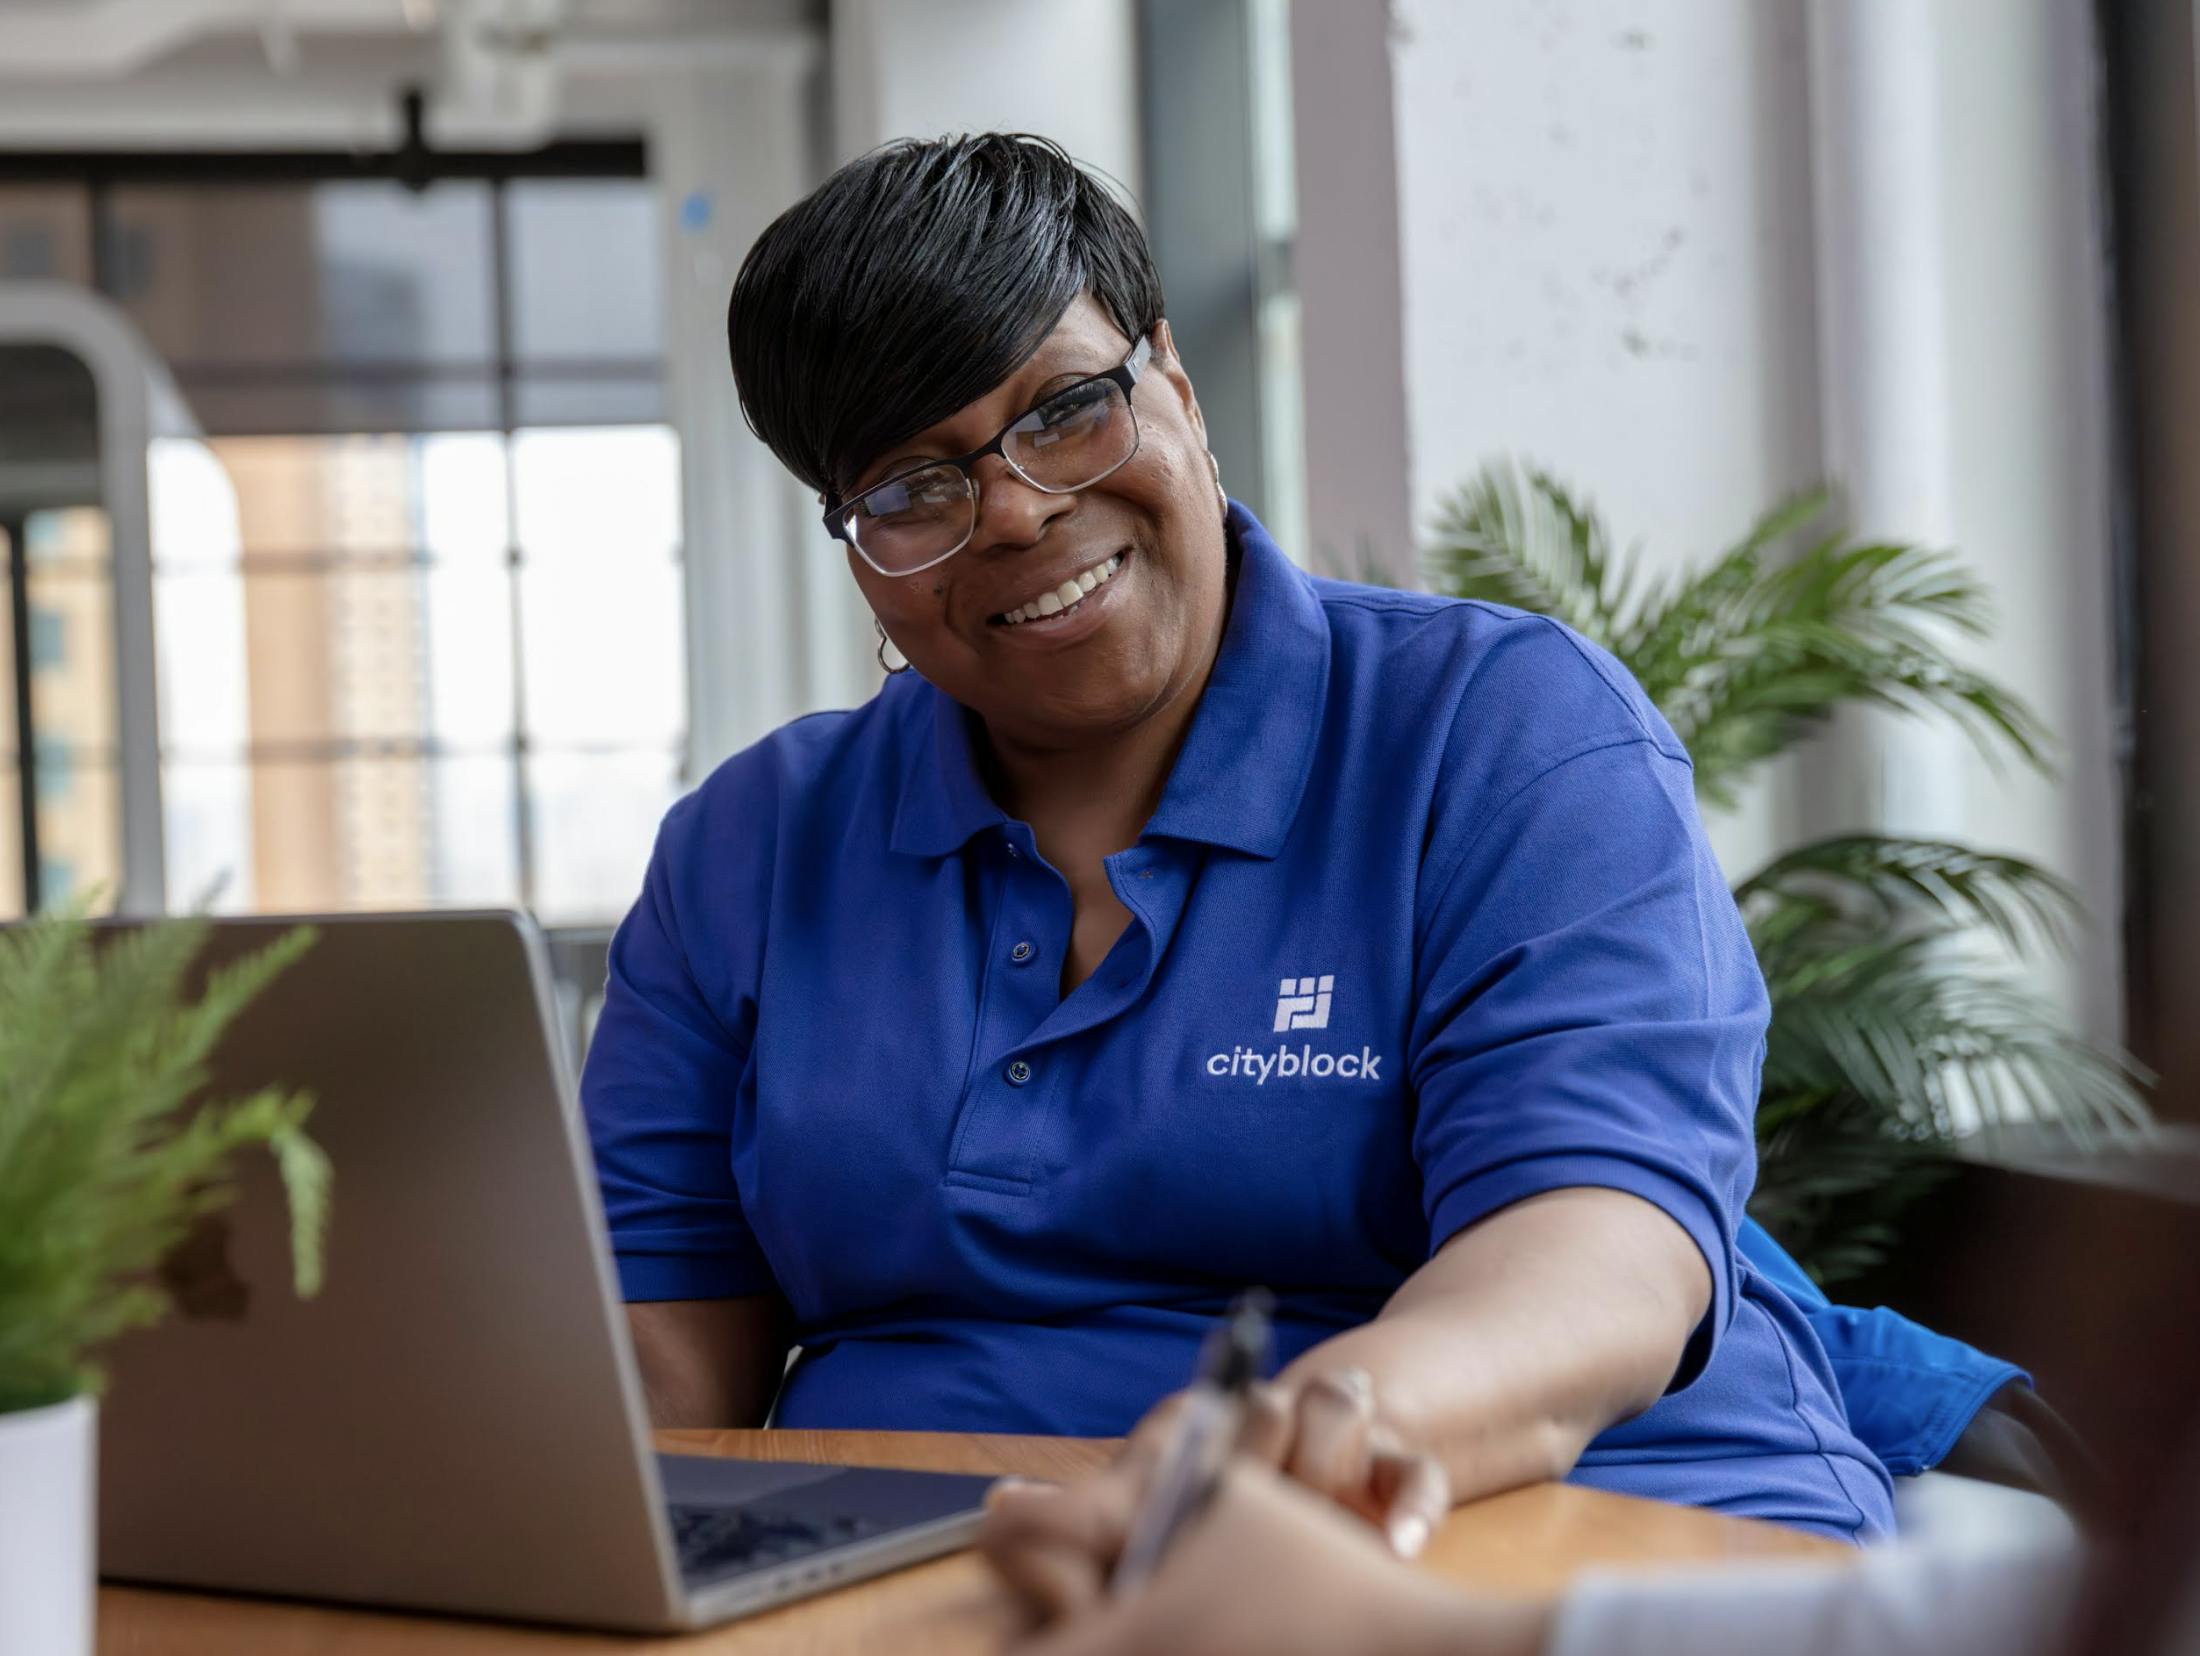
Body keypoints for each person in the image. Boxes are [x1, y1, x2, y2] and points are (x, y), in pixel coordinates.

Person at [580, 131, 1895, 1544]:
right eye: (912, 489)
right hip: (940, 1586)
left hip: (1543, 1528)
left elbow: (1595, 1264)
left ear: (1179, 386)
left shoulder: (1503, 732)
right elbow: (659, 1376)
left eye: (1068, 409)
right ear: (855, 549)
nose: (1018, 510)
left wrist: (1271, 1458)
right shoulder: (750, 848)